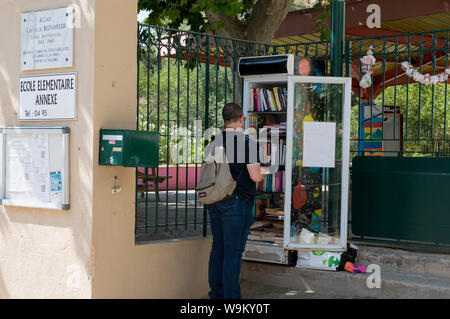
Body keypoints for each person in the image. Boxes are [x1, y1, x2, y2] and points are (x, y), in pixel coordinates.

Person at [205, 102, 268, 299]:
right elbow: (256, 176)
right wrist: (265, 170)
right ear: (241, 119)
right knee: (233, 253)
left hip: (215, 201)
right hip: (237, 202)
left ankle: (216, 294)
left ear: (224, 121)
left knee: (218, 249)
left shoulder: (213, 142)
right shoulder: (245, 142)